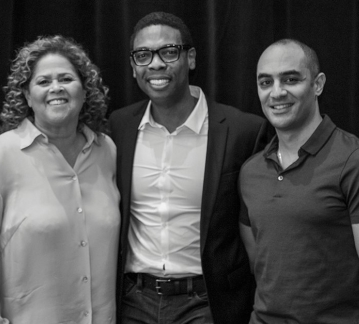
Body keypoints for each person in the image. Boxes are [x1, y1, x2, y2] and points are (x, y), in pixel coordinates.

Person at [108, 11, 269, 324]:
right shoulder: (118, 127)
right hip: (133, 302)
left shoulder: (243, 131)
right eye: (143, 55)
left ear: (190, 58)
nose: (155, 64)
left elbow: (262, 229)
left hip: (208, 304)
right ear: (133, 66)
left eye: (169, 52)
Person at [0, 35, 120, 324]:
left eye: (66, 78)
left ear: (85, 90)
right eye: (43, 82)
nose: (56, 88)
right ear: (27, 96)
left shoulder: (108, 152)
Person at [239, 38, 359, 323]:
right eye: (266, 82)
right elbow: (260, 264)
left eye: (290, 79)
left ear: (317, 84)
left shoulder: (357, 162)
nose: (277, 92)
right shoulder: (250, 171)